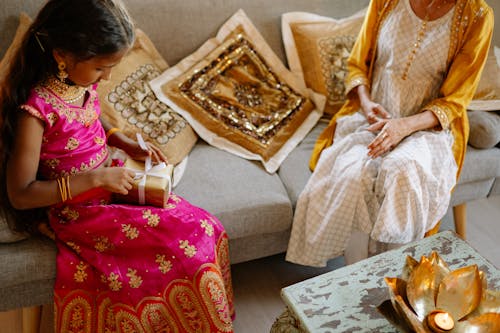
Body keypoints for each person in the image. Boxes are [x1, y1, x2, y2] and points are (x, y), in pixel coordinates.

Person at [0, 0, 234, 331]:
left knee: (206, 227)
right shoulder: (34, 112)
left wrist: (121, 140)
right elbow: (21, 195)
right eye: (101, 67)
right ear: (61, 55)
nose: (107, 76)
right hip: (79, 213)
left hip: (113, 185)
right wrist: (97, 178)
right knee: (184, 252)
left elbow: (91, 123)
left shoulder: (80, 83)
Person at [286, 0, 493, 267]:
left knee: (402, 170)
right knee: (353, 175)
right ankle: (354, 276)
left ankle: (395, 278)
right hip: (372, 116)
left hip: (427, 126)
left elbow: (455, 100)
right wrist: (366, 102)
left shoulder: (477, 15)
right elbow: (357, 64)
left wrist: (403, 127)